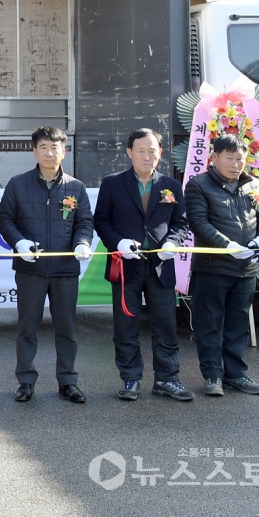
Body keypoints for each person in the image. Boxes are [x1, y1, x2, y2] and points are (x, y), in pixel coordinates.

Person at [93, 128, 193, 402]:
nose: (147, 156)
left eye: (152, 150)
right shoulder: (113, 183)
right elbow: (101, 220)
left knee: (165, 324)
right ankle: (130, 379)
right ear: (129, 153)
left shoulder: (171, 186)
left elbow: (181, 223)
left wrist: (172, 242)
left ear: (160, 152)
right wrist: (119, 243)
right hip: (127, 266)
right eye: (141, 151)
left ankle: (167, 379)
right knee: (126, 324)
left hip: (160, 266)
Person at [0, 126, 94, 404]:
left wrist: (83, 243)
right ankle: (25, 380)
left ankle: (68, 381)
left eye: (55, 148)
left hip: (65, 270)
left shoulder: (75, 187)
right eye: (43, 147)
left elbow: (84, 222)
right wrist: (19, 243)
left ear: (64, 151)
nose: (49, 153)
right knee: (27, 327)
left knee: (67, 328)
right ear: (34, 151)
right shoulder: (18, 184)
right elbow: (5, 219)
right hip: (31, 270)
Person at [184, 134, 259, 397]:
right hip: (212, 267)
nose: (235, 164)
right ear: (214, 157)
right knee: (208, 323)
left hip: (246, 270)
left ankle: (236, 374)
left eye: (240, 159)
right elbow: (198, 222)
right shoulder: (198, 185)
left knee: (238, 323)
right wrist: (227, 246)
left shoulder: (253, 185)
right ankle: (212, 376)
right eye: (229, 158)